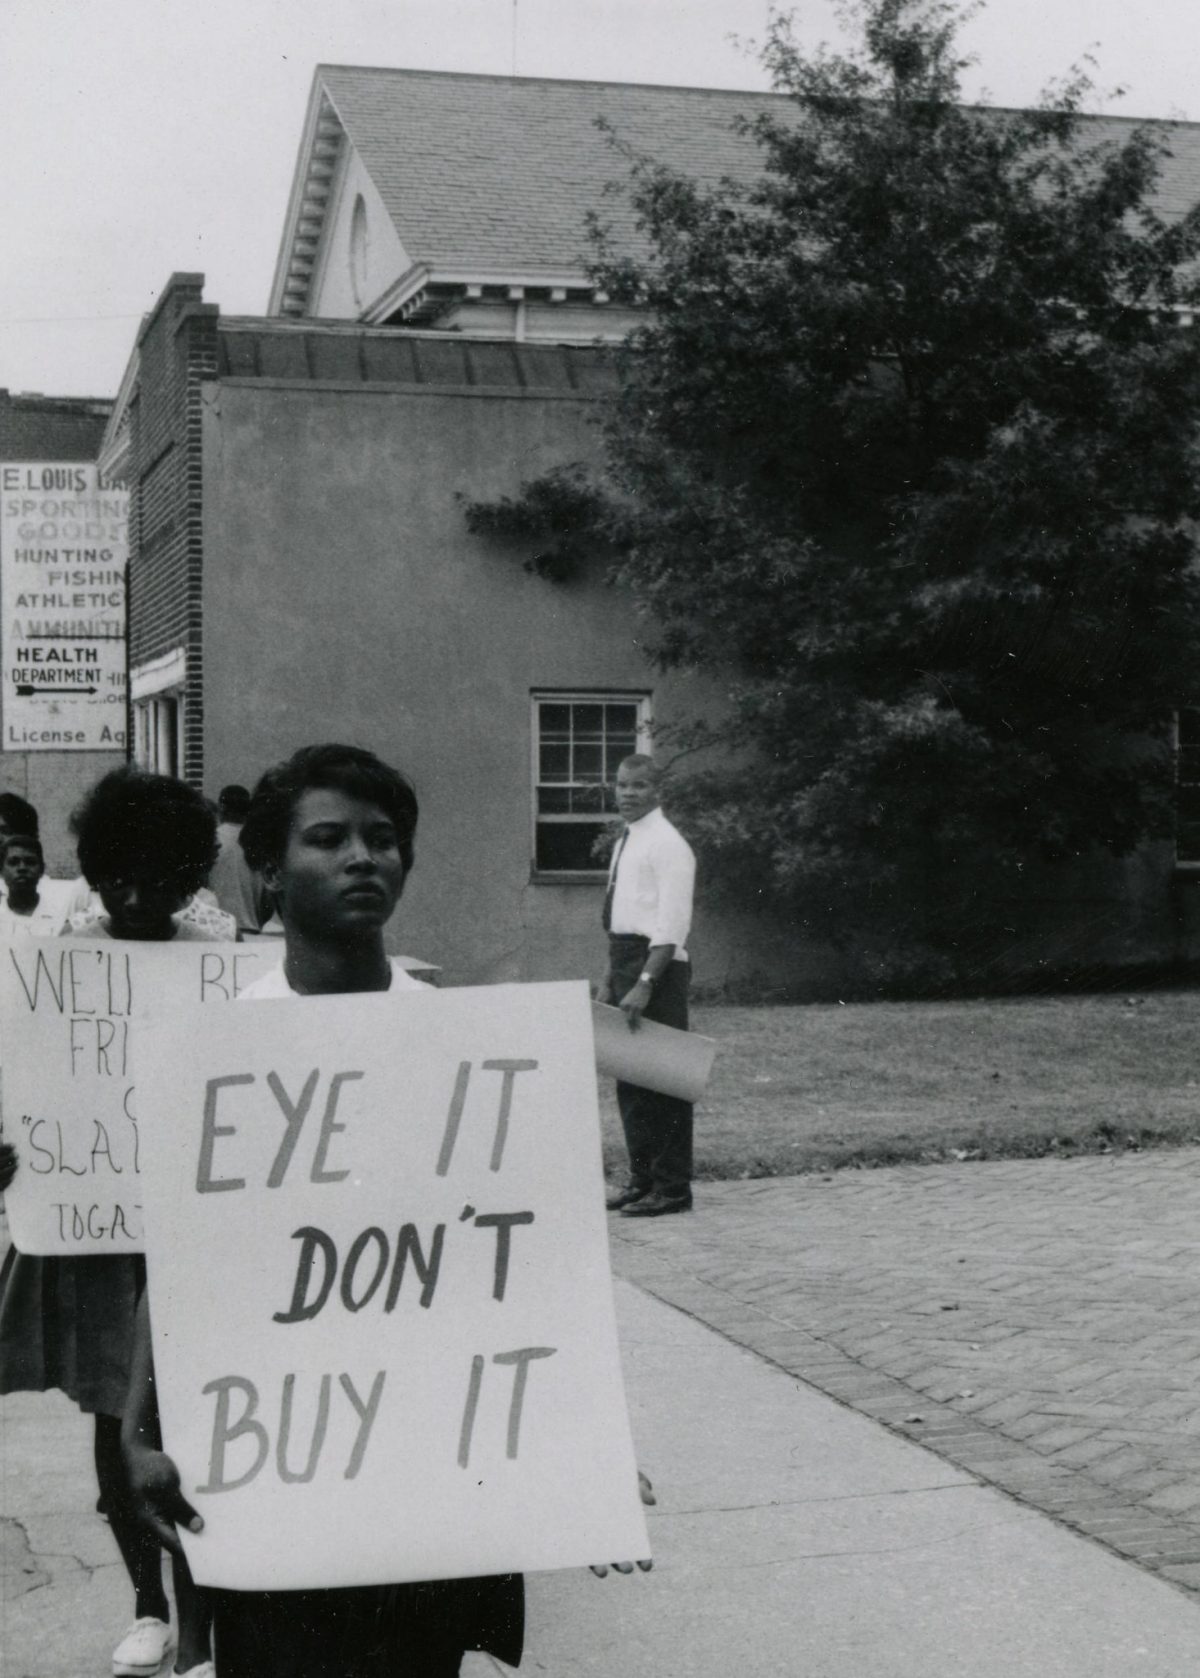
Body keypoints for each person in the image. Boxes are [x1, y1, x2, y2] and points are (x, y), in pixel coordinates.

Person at [121, 742, 651, 1677]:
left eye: (384, 839)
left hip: (420, 1478)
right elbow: (179, 1264)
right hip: (273, 1482)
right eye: (329, 839)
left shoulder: (460, 1044)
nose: (364, 857)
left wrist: (585, 1449)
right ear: (271, 870)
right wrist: (137, 1431)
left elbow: (526, 1269)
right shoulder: (218, 1051)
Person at [0, 766, 219, 1678]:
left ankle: (207, 1625)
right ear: (93, 871)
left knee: (201, 1420)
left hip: (197, 1232)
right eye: (118, 879)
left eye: (162, 882)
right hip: (97, 1235)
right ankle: (148, 1605)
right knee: (111, 1415)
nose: (137, 898)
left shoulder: (226, 956)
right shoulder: (49, 960)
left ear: (192, 878)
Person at [598, 754, 697, 1218]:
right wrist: (610, 978)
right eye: (621, 785)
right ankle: (643, 1179)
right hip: (625, 962)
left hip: (656, 968)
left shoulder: (669, 845)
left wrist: (643, 983)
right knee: (632, 1080)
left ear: (658, 791)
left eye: (638, 786)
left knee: (664, 1081)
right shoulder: (629, 838)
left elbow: (670, 927)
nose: (627, 793)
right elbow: (623, 918)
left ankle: (673, 1188)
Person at [206, 783, 266, 937]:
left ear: (221, 807)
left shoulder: (211, 840)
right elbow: (268, 901)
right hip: (252, 930)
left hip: (216, 931)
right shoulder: (258, 842)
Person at [0, 834, 72, 937]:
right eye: (13, 862)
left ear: (42, 869)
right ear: (1, 870)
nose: (22, 868)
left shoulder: (61, 916)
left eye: (30, 862)